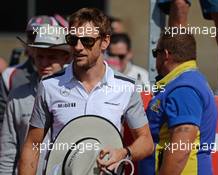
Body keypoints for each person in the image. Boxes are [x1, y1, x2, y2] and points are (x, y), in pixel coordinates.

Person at [19, 8, 153, 175]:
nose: (78, 47)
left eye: (87, 41)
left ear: (105, 41)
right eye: (72, 39)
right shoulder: (49, 85)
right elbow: (32, 144)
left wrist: (124, 153)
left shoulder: (126, 87)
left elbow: (146, 142)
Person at [139, 32, 218, 175]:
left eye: (155, 53)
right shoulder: (187, 82)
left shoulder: (183, 88)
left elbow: (181, 148)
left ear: (166, 54)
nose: (155, 59)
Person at [0, 24, 71, 175]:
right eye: (40, 56)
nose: (44, 63)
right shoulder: (17, 96)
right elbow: (9, 151)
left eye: (51, 57)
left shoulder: (78, 93)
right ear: (33, 56)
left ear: (66, 57)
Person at [0, 15, 66, 129]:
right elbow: (3, 122)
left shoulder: (72, 76)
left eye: (41, 34)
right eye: (32, 35)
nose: (37, 40)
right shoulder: (9, 75)